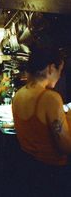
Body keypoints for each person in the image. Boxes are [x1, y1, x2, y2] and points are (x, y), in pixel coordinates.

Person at [11, 43, 71, 196]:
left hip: (27, 170)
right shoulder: (50, 98)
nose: (59, 76)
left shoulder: (18, 95)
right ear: (51, 68)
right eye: (60, 70)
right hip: (51, 176)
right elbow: (65, 147)